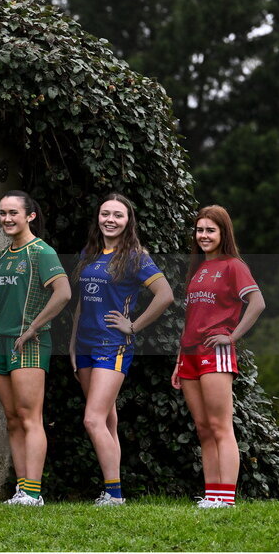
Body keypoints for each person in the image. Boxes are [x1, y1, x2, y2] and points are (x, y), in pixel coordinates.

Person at [69, 193, 173, 506]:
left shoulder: (135, 256)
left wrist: (134, 325)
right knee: (108, 421)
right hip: (85, 346)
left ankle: (114, 495)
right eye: (105, 214)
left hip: (112, 346)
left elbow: (165, 294)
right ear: (98, 218)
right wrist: (72, 344)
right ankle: (112, 490)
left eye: (118, 215)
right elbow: (81, 303)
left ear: (128, 221)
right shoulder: (89, 252)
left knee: (92, 420)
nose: (110, 220)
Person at [173, 205, 264, 508]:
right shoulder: (198, 269)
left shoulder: (232, 265)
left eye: (211, 230)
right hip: (189, 356)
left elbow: (257, 302)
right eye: (200, 230)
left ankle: (226, 498)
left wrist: (232, 335)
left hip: (216, 354)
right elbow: (192, 317)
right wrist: (178, 359)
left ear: (223, 233)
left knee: (220, 425)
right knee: (203, 428)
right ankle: (212, 495)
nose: (204, 235)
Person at [0, 190, 70, 506]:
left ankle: (33, 493)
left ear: (29, 216)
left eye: (13, 213)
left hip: (31, 342)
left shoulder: (42, 252)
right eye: (2, 213)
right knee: (12, 418)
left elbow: (63, 293)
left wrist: (35, 326)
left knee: (29, 417)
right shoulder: (1, 257)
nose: (7, 219)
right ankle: (22, 491)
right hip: (1, 342)